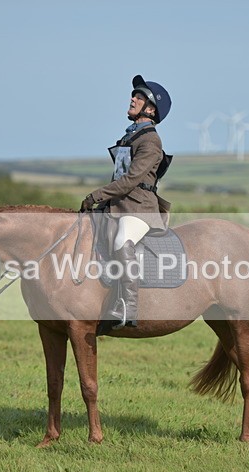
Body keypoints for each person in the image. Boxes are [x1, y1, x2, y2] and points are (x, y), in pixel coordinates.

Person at [80, 75, 172, 329]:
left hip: (139, 209)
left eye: (139, 97)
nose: (133, 98)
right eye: (135, 95)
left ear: (151, 109)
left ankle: (128, 306)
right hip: (119, 206)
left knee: (122, 240)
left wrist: (96, 195)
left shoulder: (151, 141)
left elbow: (131, 180)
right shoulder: (130, 137)